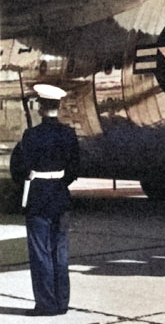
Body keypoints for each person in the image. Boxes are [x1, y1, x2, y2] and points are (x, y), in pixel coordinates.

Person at [10, 84, 79, 316]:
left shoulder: (32, 135)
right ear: (57, 107)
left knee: (40, 252)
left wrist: (28, 182)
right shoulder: (69, 134)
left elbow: (18, 167)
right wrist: (59, 183)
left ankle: (46, 304)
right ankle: (62, 302)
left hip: (39, 196)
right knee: (59, 251)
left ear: (40, 108)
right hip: (60, 195)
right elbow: (74, 170)